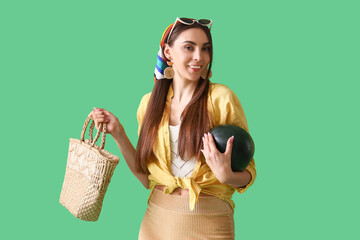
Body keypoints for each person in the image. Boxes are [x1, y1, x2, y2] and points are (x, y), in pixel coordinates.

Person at [89, 17, 256, 240]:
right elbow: (146, 177)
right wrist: (118, 132)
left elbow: (248, 172)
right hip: (156, 222)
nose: (199, 57)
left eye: (205, 49)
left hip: (211, 222)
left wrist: (227, 176)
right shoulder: (149, 105)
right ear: (168, 53)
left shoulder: (221, 98)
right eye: (189, 47)